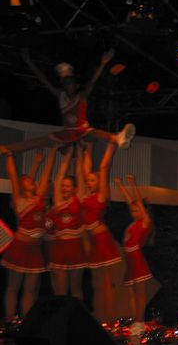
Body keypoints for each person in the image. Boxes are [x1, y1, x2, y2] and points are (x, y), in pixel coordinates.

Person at [1, 49, 135, 153]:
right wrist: (29, 62)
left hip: (82, 131)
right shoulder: (61, 95)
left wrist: (103, 63)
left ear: (76, 85)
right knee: (38, 141)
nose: (67, 85)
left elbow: (93, 81)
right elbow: (43, 80)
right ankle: (6, 149)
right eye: (65, 83)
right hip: (67, 132)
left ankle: (117, 138)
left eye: (70, 83)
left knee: (93, 132)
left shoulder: (82, 95)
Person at [0, 146, 57, 319]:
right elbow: (13, 175)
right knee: (13, 287)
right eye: (25, 180)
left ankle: (26, 321)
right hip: (20, 247)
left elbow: (46, 175)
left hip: (35, 249)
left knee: (31, 290)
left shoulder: (38, 198)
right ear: (21, 185)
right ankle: (10, 320)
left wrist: (53, 151)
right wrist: (10, 156)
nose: (30, 180)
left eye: (30, 179)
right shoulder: (19, 199)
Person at [76, 141, 122, 322]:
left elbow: (103, 168)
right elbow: (84, 170)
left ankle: (109, 318)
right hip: (91, 239)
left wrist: (112, 145)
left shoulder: (102, 195)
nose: (89, 182)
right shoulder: (85, 195)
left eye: (92, 180)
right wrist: (88, 149)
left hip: (101, 238)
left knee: (106, 281)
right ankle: (99, 315)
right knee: (96, 282)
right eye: (88, 181)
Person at [115, 175, 153, 337]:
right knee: (133, 293)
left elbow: (137, 202)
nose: (134, 212)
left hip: (136, 258)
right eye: (132, 211)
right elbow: (129, 201)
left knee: (140, 293)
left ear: (143, 210)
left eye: (137, 210)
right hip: (130, 260)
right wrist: (121, 186)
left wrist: (133, 184)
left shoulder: (145, 222)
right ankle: (137, 321)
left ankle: (140, 322)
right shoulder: (134, 223)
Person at [48, 148, 87, 298]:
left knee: (76, 288)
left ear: (75, 189)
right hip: (60, 248)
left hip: (75, 247)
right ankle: (61, 313)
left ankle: (78, 313)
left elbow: (80, 175)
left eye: (68, 186)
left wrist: (80, 153)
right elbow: (59, 177)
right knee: (61, 291)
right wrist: (68, 154)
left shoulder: (78, 199)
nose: (64, 188)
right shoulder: (58, 202)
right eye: (63, 186)